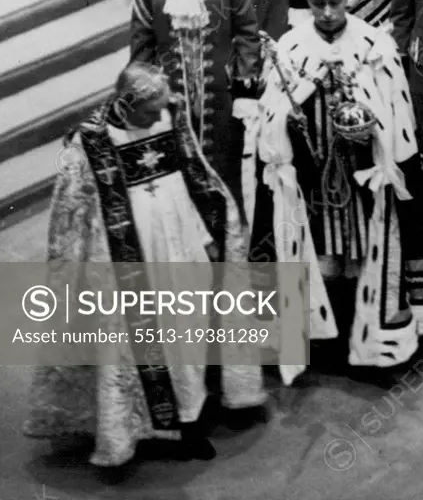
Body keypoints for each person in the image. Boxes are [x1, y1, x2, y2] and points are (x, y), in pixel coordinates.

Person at [24, 63, 267, 471]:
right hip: (129, 260)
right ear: (126, 103)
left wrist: (209, 235)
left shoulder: (168, 114)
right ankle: (150, 430)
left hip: (181, 242)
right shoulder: (91, 142)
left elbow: (194, 174)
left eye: (162, 107)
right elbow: (69, 215)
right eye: (150, 111)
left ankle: (190, 417)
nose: (160, 117)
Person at [251, 0, 423, 383]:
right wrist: (291, 118)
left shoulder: (374, 47)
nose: (326, 13)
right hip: (311, 177)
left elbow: (397, 119)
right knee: (322, 256)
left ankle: (376, 343)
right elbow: (270, 119)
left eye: (336, 3)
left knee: (366, 254)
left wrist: (376, 140)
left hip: (364, 178)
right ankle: (329, 342)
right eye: (318, 4)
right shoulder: (290, 49)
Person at [129, 0, 261, 202]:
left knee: (227, 182)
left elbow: (248, 35)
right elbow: (141, 51)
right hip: (171, 104)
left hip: (224, 101)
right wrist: (145, 101)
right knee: (179, 187)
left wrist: (245, 90)